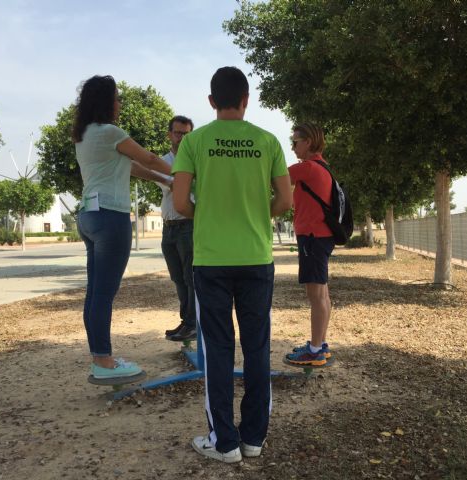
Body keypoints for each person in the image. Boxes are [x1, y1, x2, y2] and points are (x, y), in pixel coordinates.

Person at [172, 66, 292, 463]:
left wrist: (206, 215)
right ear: (246, 100)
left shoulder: (194, 142)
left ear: (211, 101)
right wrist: (259, 213)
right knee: (258, 348)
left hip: (211, 261)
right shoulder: (268, 141)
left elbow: (179, 203)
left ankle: (224, 443)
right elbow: (285, 201)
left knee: (219, 349)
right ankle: (254, 439)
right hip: (257, 258)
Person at [73, 75, 172, 380]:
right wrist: (187, 172)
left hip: (88, 215)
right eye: (117, 98)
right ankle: (104, 363)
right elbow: (151, 158)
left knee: (95, 292)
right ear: (106, 102)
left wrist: (168, 180)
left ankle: (99, 357)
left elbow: (134, 167)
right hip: (110, 217)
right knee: (104, 294)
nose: (119, 103)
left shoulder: (86, 134)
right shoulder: (111, 132)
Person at [284, 123, 335, 367]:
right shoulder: (323, 167)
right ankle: (320, 344)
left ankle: (314, 350)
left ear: (308, 142)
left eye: (295, 142)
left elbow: (275, 177)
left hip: (313, 238)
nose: (293, 147)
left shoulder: (307, 168)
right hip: (321, 237)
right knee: (322, 293)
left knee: (315, 295)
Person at [156, 115, 197, 341]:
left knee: (190, 277)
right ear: (169, 134)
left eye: (186, 134)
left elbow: (179, 188)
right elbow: (170, 184)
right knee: (178, 278)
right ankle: (186, 322)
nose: (181, 138)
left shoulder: (196, 161)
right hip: (169, 227)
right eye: (178, 133)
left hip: (188, 225)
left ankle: (192, 323)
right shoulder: (164, 161)